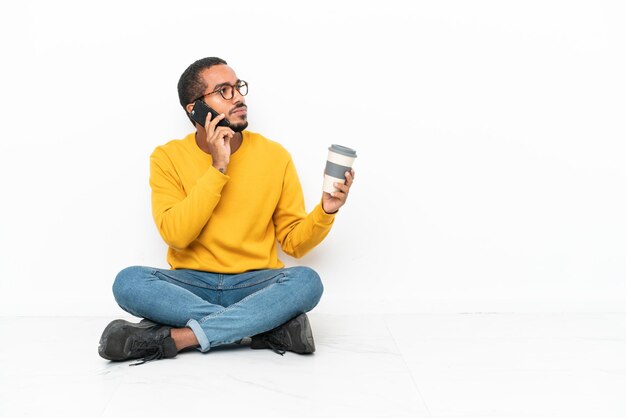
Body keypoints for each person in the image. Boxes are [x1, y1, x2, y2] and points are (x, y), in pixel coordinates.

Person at [98, 57, 355, 365]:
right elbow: (177, 236)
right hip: (191, 285)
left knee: (307, 282)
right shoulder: (167, 157)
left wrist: (326, 211)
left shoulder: (274, 156)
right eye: (224, 91)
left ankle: (180, 338)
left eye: (238, 87)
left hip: (254, 284)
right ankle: (264, 327)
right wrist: (218, 169)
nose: (239, 98)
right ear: (195, 110)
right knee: (128, 282)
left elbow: (294, 244)